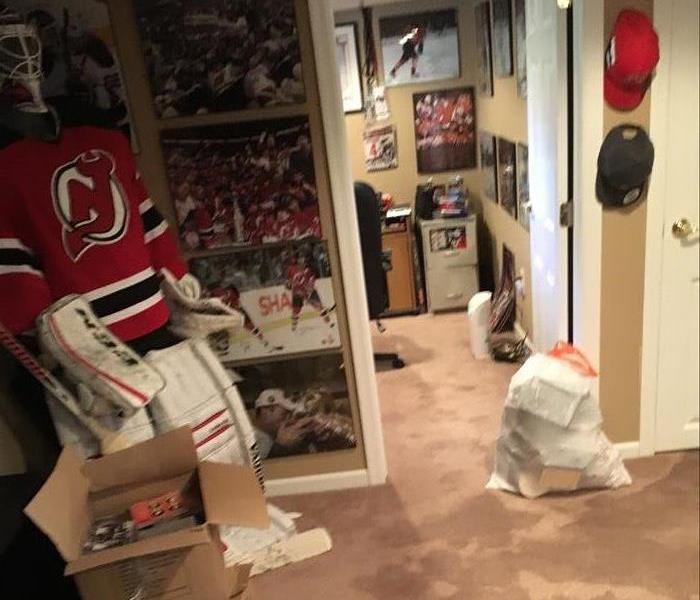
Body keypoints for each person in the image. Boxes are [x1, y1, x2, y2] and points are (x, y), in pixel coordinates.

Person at [252, 389, 314, 459]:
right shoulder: (247, 440)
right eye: (284, 414)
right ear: (267, 412)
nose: (289, 419)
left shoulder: (270, 435)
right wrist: (281, 446)